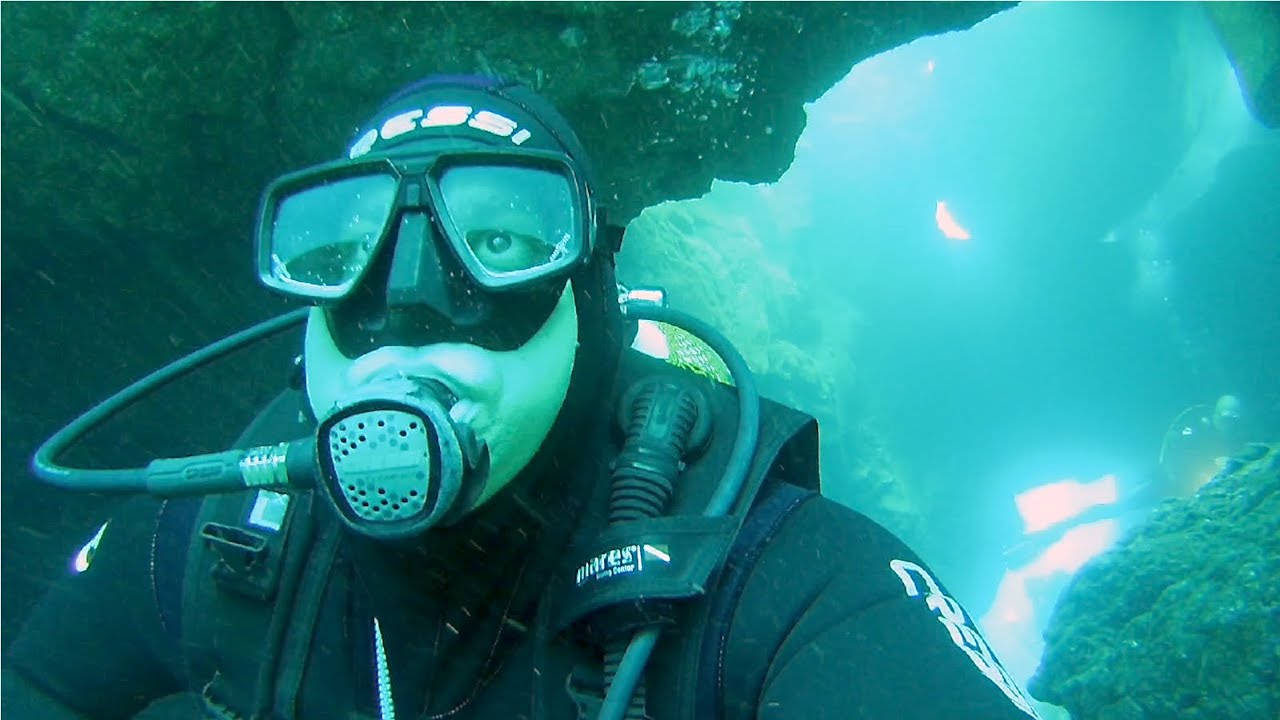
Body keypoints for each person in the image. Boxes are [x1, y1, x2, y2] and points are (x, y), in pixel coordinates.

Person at [3, 76, 1040, 720]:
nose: (406, 299)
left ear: (591, 299)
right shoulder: (222, 541)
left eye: (498, 240)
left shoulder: (780, 593)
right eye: (349, 244)